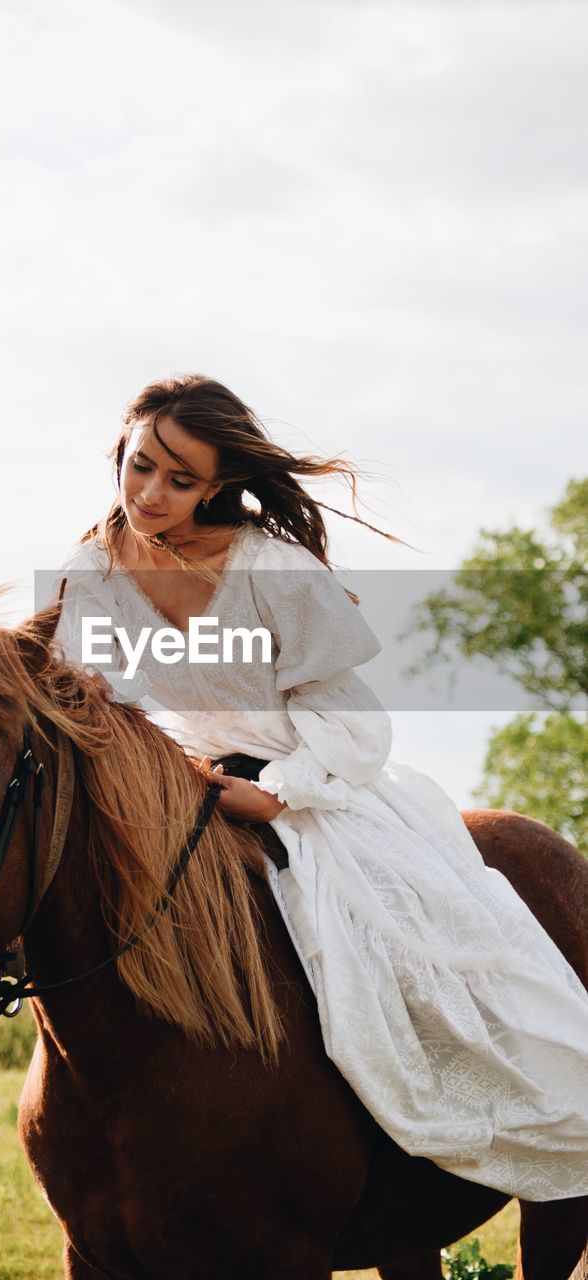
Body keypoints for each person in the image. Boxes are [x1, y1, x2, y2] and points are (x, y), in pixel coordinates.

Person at [51, 372, 588, 1203]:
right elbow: (78, 696)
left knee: (409, 962)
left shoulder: (270, 566)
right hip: (177, 788)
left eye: (181, 479)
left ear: (221, 485)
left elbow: (359, 729)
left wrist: (278, 792)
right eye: (140, 465)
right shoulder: (89, 569)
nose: (151, 493)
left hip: (313, 788)